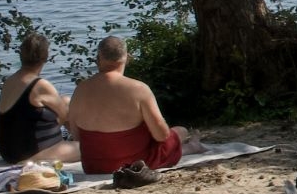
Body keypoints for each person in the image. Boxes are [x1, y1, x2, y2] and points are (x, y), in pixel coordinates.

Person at [68, 36, 207, 182]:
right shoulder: (138, 89)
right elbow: (161, 136)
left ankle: (190, 147)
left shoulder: (80, 90)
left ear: (98, 59)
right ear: (127, 58)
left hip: (93, 166)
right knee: (180, 131)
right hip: (133, 163)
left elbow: (77, 137)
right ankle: (191, 147)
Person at [0, 32, 80, 164]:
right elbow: (64, 115)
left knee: (65, 101)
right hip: (28, 154)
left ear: (21, 55)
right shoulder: (40, 85)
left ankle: (71, 139)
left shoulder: (9, 81)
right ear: (46, 57)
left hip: (8, 152)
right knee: (91, 148)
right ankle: (75, 140)